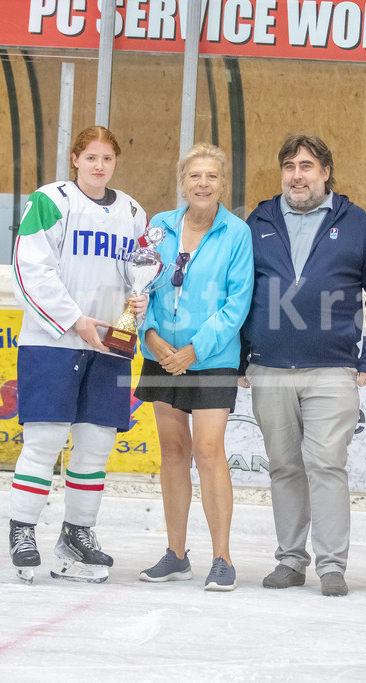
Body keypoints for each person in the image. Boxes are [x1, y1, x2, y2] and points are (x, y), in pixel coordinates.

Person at [240, 134, 366, 597]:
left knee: (326, 464)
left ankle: (332, 566)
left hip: (331, 368)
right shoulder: (259, 221)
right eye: (289, 166)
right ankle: (290, 560)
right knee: (284, 466)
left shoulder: (355, 223)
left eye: (307, 166)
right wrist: (239, 358)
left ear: (326, 173)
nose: (297, 175)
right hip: (269, 367)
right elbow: (239, 292)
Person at [8, 125, 148, 584]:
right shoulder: (51, 201)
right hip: (53, 341)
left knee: (96, 444)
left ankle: (77, 534)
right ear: (75, 159)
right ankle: (23, 529)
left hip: (110, 343)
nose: (99, 166)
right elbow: (29, 270)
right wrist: (74, 319)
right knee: (45, 440)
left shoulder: (133, 212)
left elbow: (138, 273)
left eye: (107, 158)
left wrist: (139, 304)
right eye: (91, 157)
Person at [135, 143, 254, 591]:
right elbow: (139, 287)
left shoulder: (236, 233)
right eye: (195, 176)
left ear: (223, 184)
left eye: (212, 176)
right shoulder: (159, 227)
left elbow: (237, 304)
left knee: (207, 451)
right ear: (183, 182)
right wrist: (150, 336)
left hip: (211, 358)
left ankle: (222, 558)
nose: (203, 183)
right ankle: (176, 554)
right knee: (172, 451)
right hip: (160, 355)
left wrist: (194, 350)